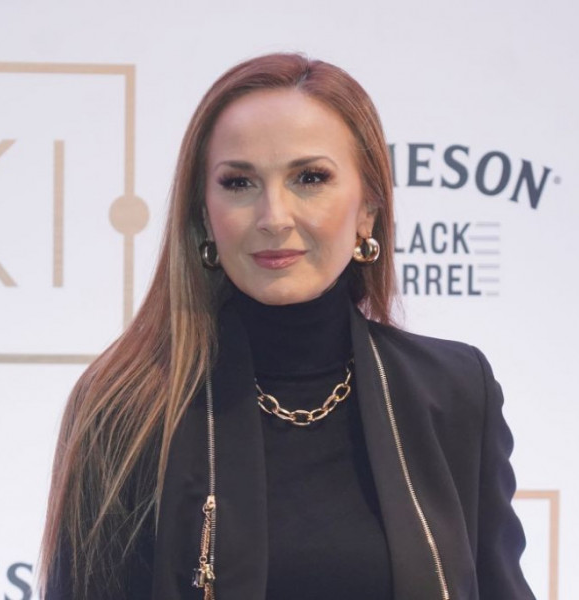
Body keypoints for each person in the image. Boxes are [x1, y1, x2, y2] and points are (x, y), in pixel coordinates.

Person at [40, 53, 535, 600]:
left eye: (310, 178)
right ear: (204, 214)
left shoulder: (453, 391)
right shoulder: (128, 408)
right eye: (239, 183)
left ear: (367, 210)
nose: (274, 217)